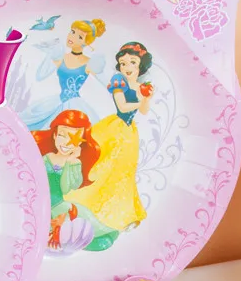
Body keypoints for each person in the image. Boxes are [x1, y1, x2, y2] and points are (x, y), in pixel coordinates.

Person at [66, 42, 155, 234]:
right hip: (114, 129)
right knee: (102, 165)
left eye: (132, 62)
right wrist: (140, 99)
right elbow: (122, 107)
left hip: (129, 133)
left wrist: (146, 98)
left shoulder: (141, 86)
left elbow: (144, 111)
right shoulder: (118, 82)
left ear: (140, 65)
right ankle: (86, 202)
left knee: (124, 173)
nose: (127, 67)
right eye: (123, 63)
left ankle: (124, 214)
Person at [32, 110, 118, 253]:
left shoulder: (74, 163)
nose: (66, 142)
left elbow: (66, 187)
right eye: (62, 135)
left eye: (74, 138)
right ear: (54, 135)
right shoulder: (47, 157)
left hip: (58, 205)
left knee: (93, 234)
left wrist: (71, 161)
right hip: (39, 202)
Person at [23, 19, 107, 131]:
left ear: (86, 43)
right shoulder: (60, 57)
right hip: (56, 102)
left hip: (75, 104)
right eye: (72, 32)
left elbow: (107, 83)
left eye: (80, 37)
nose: (72, 37)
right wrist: (50, 55)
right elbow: (40, 76)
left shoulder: (89, 63)